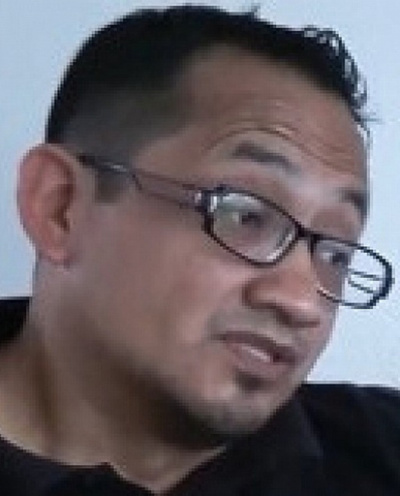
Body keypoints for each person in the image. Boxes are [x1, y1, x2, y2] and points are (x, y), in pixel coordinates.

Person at [0, 4, 398, 495]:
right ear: (59, 206)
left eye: (336, 253)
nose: (302, 302)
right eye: (246, 215)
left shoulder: (379, 449)